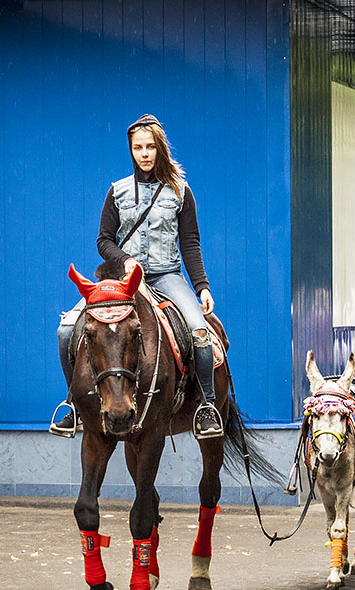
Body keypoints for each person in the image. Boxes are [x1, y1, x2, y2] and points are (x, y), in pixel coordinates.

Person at [51, 114, 223, 439]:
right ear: (131, 151)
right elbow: (104, 240)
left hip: (166, 276)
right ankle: (75, 405)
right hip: (123, 280)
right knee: (65, 330)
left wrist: (202, 286)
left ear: (159, 149)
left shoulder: (180, 192)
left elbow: (190, 243)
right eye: (138, 148)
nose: (144, 154)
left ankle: (206, 407)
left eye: (149, 147)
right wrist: (126, 260)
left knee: (200, 332)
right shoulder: (117, 192)